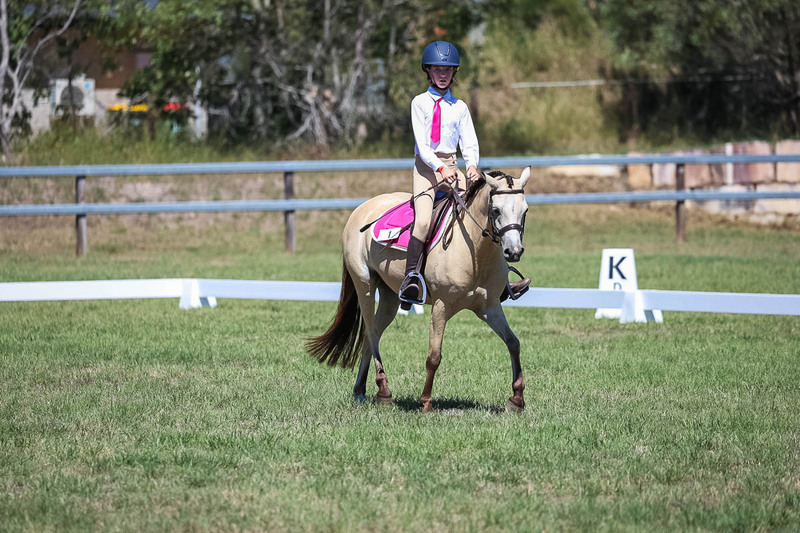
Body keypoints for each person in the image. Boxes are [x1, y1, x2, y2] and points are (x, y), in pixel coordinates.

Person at [398, 40, 530, 306]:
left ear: (454, 72)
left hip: (454, 167)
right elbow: (423, 146)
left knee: (483, 214)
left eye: (448, 70)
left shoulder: (459, 107)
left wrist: (470, 166)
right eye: (437, 69)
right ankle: (411, 277)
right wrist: (439, 168)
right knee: (423, 220)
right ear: (428, 71)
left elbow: (469, 142)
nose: (443, 74)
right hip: (427, 169)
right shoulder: (419, 103)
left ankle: (500, 283)